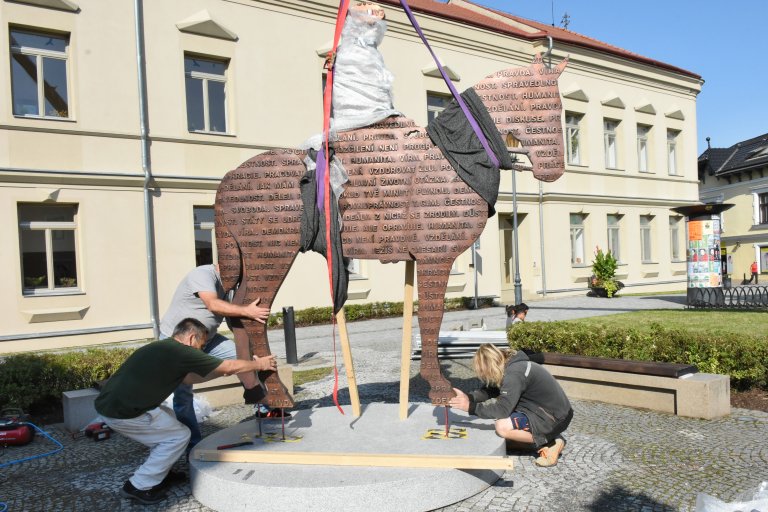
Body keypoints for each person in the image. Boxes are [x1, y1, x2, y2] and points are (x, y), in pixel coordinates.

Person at [95, 318, 278, 505]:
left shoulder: (164, 348)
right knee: (178, 436)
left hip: (114, 405)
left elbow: (189, 379)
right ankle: (137, 486)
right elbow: (229, 365)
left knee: (169, 419)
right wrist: (259, 365)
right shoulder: (181, 352)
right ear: (191, 338)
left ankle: (160, 472)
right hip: (123, 412)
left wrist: (222, 372)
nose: (201, 349)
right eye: (202, 344)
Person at [159, 263, 278, 452]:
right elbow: (212, 304)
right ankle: (193, 447)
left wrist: (250, 340)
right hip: (179, 341)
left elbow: (232, 317)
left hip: (208, 339)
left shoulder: (230, 285)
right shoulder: (203, 274)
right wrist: (248, 311)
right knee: (183, 395)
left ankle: (264, 408)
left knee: (247, 359)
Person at [448, 344, 573, 467]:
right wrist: (468, 397)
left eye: (484, 372)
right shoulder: (509, 364)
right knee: (506, 434)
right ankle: (546, 436)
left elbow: (502, 410)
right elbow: (492, 389)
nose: (484, 376)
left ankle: (548, 442)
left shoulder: (514, 374)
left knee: (502, 427)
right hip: (546, 410)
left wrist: (470, 407)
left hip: (553, 418)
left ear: (491, 366)